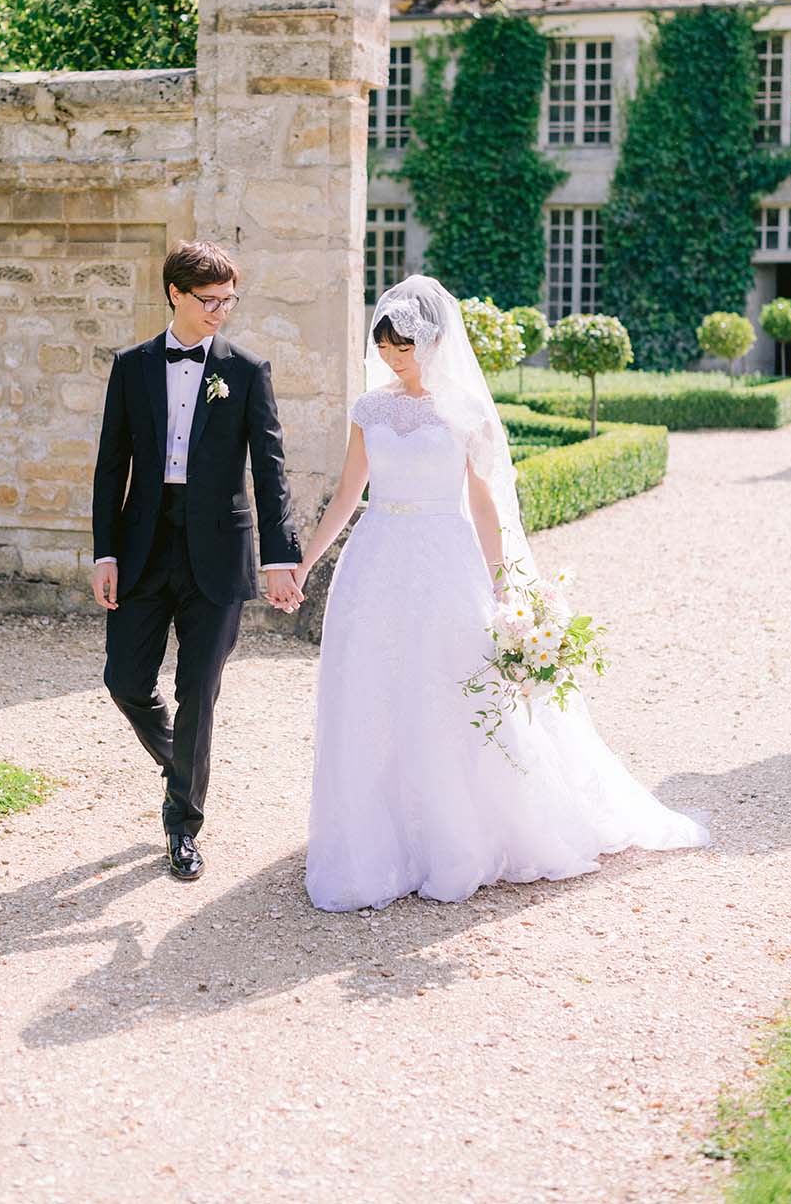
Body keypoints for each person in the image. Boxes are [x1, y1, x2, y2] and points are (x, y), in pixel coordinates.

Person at [297, 275, 708, 913]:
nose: (391, 357)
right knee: (375, 688)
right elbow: (350, 494)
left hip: (444, 559)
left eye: (402, 346)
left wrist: (503, 580)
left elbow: (485, 506)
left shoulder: (464, 411)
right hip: (375, 561)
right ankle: (379, 836)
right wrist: (304, 562)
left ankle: (458, 831)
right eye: (384, 346)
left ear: (430, 341)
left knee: (449, 688)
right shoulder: (368, 411)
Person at [91, 240, 303, 881]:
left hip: (219, 549)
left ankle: (183, 827)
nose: (220, 312)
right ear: (175, 295)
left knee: (198, 693)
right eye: (209, 301)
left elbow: (271, 471)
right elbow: (111, 467)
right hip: (143, 548)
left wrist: (281, 557)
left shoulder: (246, 370)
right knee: (124, 680)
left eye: (228, 301)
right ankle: (181, 759)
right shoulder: (130, 367)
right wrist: (105, 551)